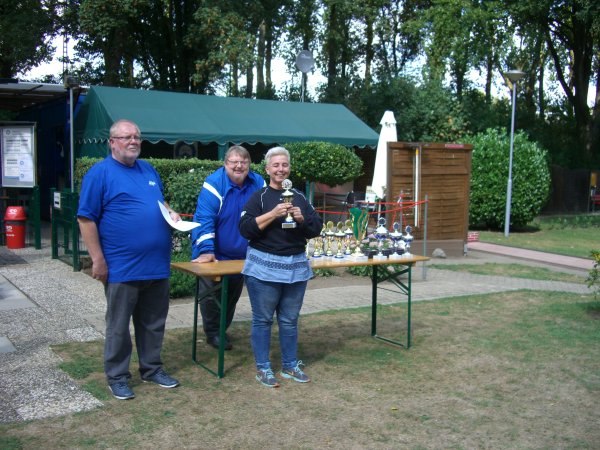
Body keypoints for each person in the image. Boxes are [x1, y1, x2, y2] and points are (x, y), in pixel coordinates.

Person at [77, 119, 180, 400]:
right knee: (119, 326)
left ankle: (152, 368)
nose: (133, 141)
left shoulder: (148, 169)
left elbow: (158, 202)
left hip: (156, 265)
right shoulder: (100, 173)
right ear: (112, 142)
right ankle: (117, 376)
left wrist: (171, 212)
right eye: (126, 137)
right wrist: (97, 259)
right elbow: (86, 219)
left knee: (153, 323)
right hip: (122, 266)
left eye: (136, 136)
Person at [239, 146, 323, 388]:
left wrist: (301, 219)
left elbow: (315, 228)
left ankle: (290, 364)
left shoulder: (299, 197)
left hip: (296, 267)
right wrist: (273, 214)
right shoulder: (259, 197)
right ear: (267, 169)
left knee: (289, 320)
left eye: (284, 165)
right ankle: (263, 368)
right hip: (263, 268)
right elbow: (245, 228)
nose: (280, 169)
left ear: (289, 168)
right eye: (275, 165)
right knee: (263, 320)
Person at [191, 146, 265, 350]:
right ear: (225, 164)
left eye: (244, 162)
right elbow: (205, 218)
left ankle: (221, 330)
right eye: (234, 162)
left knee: (232, 295)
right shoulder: (214, 183)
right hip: (213, 253)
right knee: (210, 296)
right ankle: (212, 332)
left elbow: (265, 215)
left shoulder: (258, 183)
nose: (239, 166)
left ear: (249, 165)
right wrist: (206, 250)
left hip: (241, 254)